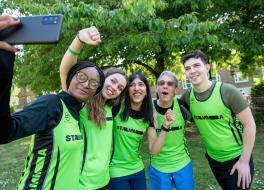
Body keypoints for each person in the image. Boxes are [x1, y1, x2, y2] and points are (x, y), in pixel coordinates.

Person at [0, 15, 105, 190]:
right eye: (81, 76)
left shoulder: (80, 111)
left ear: (95, 92)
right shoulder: (53, 105)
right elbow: (4, 132)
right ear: (70, 79)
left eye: (94, 83)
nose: (87, 84)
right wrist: (79, 39)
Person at [60, 26, 128, 190]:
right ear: (103, 78)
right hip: (81, 184)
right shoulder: (81, 101)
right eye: (113, 81)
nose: (114, 88)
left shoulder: (110, 109)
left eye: (119, 88)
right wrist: (79, 41)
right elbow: (66, 70)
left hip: (105, 182)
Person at [181, 50, 256, 190]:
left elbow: (250, 125)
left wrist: (244, 161)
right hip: (214, 160)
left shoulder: (227, 91)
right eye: (188, 68)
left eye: (197, 65)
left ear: (207, 68)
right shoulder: (187, 97)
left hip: (237, 159)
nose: (192, 71)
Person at [148, 71, 195, 190]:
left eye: (170, 84)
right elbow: (153, 150)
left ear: (176, 90)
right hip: (158, 167)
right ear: (157, 88)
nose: (165, 86)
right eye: (161, 83)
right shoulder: (149, 110)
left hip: (182, 164)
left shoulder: (183, 107)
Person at [109, 72, 154, 190]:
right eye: (132, 85)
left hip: (137, 169)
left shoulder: (148, 117)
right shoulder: (116, 107)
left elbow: (154, 148)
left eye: (141, 84)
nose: (136, 88)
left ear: (146, 91)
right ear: (127, 91)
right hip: (115, 169)